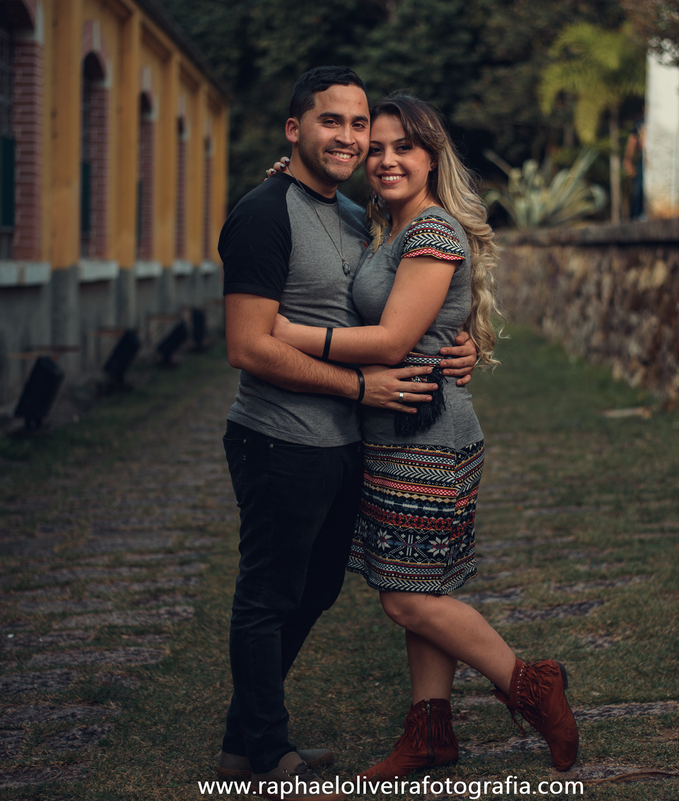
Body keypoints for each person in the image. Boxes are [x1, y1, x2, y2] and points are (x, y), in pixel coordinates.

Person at [270, 93, 579, 781]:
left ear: (431, 155)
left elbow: (394, 338)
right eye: (374, 148)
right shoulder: (391, 229)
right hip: (399, 430)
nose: (384, 159)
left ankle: (531, 685)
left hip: (429, 434)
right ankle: (430, 732)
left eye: (400, 147)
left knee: (405, 595)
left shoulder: (431, 232)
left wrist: (283, 334)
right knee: (421, 585)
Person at [216, 68, 477, 801]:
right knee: (268, 591)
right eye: (332, 122)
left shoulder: (358, 215)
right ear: (294, 130)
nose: (351, 138)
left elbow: (407, 301)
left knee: (317, 586)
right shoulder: (264, 214)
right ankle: (264, 749)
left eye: (358, 126)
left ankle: (246, 733)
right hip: (277, 436)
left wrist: (457, 347)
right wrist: (361, 386)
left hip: (343, 441)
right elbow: (248, 345)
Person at [624, 119, 646, 221]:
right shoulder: (638, 125)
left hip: (646, 163)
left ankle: (642, 214)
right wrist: (628, 161)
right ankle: (635, 215)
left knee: (644, 190)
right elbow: (631, 143)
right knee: (637, 189)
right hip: (638, 162)